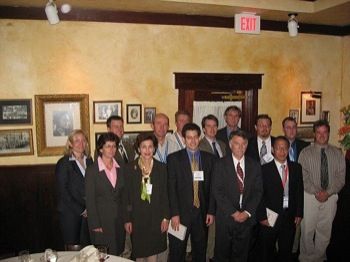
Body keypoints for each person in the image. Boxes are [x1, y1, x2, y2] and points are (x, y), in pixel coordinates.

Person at [212, 130, 263, 262]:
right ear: (230, 144)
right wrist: (234, 213)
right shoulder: (219, 164)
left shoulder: (255, 165)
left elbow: (258, 191)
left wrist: (246, 212)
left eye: (244, 144)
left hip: (246, 219)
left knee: (241, 255)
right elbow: (217, 191)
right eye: (237, 143)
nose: (240, 147)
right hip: (226, 218)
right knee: (222, 255)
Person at [298, 120, 346, 262]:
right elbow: (302, 177)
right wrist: (317, 192)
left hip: (330, 197)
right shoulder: (305, 153)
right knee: (307, 229)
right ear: (314, 134)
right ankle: (306, 257)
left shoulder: (337, 153)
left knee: (325, 231)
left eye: (325, 132)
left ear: (328, 133)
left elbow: (340, 177)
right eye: (318, 132)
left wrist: (328, 193)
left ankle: (318, 257)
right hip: (310, 196)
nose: (322, 135)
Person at [167, 123, 215, 262]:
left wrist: (211, 211)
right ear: (183, 139)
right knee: (177, 252)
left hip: (201, 213)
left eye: (195, 137)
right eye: (189, 138)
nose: (193, 141)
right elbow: (171, 188)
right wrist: (174, 214)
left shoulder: (209, 159)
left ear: (199, 137)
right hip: (180, 215)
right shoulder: (174, 158)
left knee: (200, 252)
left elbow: (212, 187)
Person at [256, 136, 304, 262]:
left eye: (284, 148)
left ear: (288, 150)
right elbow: (259, 194)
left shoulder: (296, 168)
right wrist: (261, 216)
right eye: (278, 148)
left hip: (289, 216)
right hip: (269, 216)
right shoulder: (263, 169)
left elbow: (299, 191)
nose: (282, 151)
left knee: (286, 251)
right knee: (267, 251)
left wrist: (299, 213)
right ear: (272, 149)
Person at [123, 133, 169, 262]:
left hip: (156, 218)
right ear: (138, 149)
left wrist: (166, 217)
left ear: (154, 148)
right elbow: (126, 196)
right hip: (137, 219)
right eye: (144, 147)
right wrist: (127, 219)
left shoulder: (162, 168)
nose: (147, 150)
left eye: (150, 147)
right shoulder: (129, 168)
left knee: (153, 253)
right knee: (139, 254)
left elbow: (166, 195)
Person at [85, 132, 126, 256]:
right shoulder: (92, 170)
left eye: (114, 146)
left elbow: (124, 195)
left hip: (118, 220)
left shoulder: (121, 167)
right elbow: (90, 200)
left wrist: (126, 219)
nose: (111, 149)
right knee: (103, 255)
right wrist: (95, 224)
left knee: (117, 252)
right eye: (108, 146)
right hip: (101, 221)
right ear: (101, 148)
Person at [56, 129, 93, 247]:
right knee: (73, 249)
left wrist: (90, 208)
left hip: (88, 213)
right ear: (70, 143)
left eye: (83, 140)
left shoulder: (89, 161)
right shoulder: (63, 163)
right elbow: (63, 192)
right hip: (70, 214)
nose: (81, 143)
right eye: (76, 140)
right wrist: (82, 209)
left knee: (86, 248)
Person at [282, 116, 310, 255]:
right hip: (281, 193)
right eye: (288, 127)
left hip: (299, 192)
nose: (291, 130)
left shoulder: (305, 146)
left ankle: (293, 253)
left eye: (294, 127)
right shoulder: (277, 144)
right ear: (283, 129)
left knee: (296, 227)